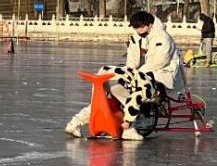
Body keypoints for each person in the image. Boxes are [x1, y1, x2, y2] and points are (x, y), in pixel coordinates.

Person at [65, 11, 181, 141]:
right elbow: (132, 60)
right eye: (135, 28)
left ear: (149, 25)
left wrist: (135, 74)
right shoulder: (136, 37)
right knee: (106, 100)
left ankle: (76, 123)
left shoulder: (162, 38)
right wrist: (129, 72)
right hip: (138, 75)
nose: (138, 30)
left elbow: (160, 61)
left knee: (132, 95)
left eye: (140, 27)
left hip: (160, 74)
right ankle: (127, 127)